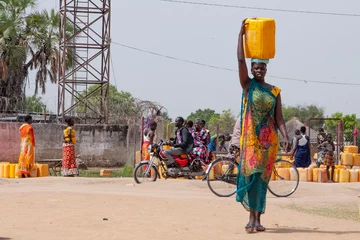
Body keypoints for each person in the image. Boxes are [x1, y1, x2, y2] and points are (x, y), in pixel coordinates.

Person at [236, 19, 289, 233]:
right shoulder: (248, 85)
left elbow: (280, 118)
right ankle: (251, 217)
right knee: (250, 176)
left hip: (269, 143)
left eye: (262, 67)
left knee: (262, 180)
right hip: (251, 142)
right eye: (256, 67)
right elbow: (240, 60)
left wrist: (285, 136)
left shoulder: (274, 91)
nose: (259, 70)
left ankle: (258, 219)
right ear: (252, 68)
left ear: (266, 68)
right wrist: (240, 36)